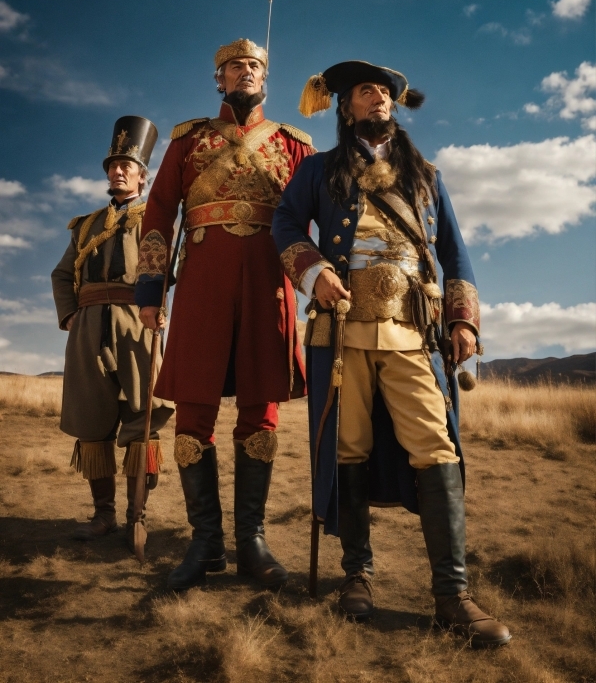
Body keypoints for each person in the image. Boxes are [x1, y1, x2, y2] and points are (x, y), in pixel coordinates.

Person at [272, 60, 511, 647]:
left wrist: (464, 320)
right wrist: (314, 273)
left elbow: (455, 252)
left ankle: (451, 593)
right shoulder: (319, 169)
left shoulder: (426, 175)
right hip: (343, 332)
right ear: (345, 107)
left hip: (413, 333)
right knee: (348, 447)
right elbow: (284, 225)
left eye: (384, 93)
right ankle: (357, 575)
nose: (378, 99)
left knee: (437, 446)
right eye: (365, 92)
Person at [135, 38, 314, 591]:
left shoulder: (293, 144)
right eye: (235, 66)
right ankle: (204, 543)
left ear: (266, 77)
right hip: (201, 286)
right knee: (194, 413)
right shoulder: (188, 140)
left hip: (269, 287)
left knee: (260, 413)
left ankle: (252, 542)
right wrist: (149, 291)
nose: (245, 72)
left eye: (255, 65)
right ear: (219, 78)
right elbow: (161, 209)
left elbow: (315, 214)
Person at [51, 116, 174, 551]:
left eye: (127, 165)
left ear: (143, 174)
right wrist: (70, 317)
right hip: (86, 327)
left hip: (137, 323)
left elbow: (171, 271)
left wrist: (157, 309)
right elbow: (63, 274)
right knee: (92, 421)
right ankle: (103, 515)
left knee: (143, 419)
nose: (118, 171)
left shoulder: (156, 218)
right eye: (113, 165)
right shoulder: (85, 226)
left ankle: (136, 517)